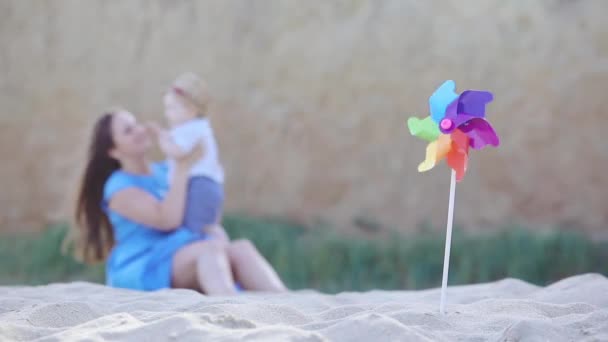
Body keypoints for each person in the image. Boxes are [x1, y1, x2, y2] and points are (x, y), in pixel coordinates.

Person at [73, 108, 286, 295]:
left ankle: (288, 305)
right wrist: (182, 163)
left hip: (184, 249)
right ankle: (232, 310)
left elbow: (200, 208)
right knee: (209, 250)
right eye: (128, 130)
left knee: (241, 249)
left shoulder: (164, 171)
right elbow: (168, 220)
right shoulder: (118, 188)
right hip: (146, 262)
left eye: (136, 124)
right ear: (114, 151)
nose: (140, 130)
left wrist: (212, 227)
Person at [151, 72, 225, 236]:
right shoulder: (198, 127)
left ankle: (208, 248)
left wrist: (162, 139)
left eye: (171, 108)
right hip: (207, 186)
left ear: (191, 110)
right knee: (204, 226)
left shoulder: (191, 128)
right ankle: (213, 243)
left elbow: (178, 153)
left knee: (195, 230)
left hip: (198, 185)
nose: (166, 114)